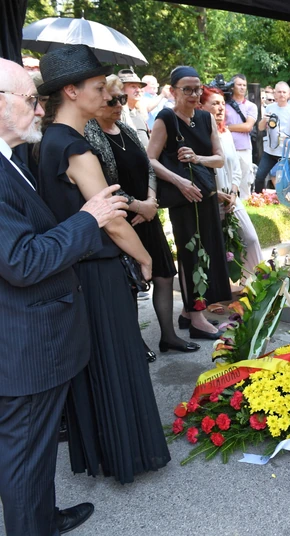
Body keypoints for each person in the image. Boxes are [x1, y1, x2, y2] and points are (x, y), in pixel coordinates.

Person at [0, 55, 129, 536]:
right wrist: (88, 218)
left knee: (32, 451)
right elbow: (22, 261)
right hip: (23, 341)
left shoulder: (10, 159)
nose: (40, 110)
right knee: (24, 451)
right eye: (30, 100)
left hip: (28, 333)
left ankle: (42, 517)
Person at [36, 44, 172, 487]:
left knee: (97, 362)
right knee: (117, 358)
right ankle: (126, 454)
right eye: (98, 87)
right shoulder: (75, 147)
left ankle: (109, 452)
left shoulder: (49, 142)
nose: (108, 95)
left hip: (77, 269)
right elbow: (110, 218)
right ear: (71, 92)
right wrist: (145, 257)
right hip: (96, 269)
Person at [84, 74, 199, 356]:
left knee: (164, 275)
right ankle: (135, 343)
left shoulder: (125, 128)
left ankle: (168, 336)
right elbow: (101, 185)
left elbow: (148, 166)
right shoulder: (89, 135)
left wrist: (150, 202)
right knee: (132, 283)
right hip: (122, 217)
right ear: (99, 100)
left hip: (147, 213)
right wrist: (138, 206)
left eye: (122, 99)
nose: (119, 105)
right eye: (112, 101)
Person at [147, 66, 230, 339]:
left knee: (208, 252)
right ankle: (196, 319)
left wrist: (197, 158)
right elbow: (150, 159)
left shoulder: (206, 118)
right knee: (190, 255)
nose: (194, 94)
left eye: (197, 89)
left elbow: (219, 159)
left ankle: (187, 312)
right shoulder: (166, 118)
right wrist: (179, 181)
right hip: (182, 199)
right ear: (173, 91)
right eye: (187, 89)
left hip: (205, 196)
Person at [200, 86, 263, 276]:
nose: (221, 108)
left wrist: (234, 193)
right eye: (215, 104)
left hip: (231, 197)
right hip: (211, 198)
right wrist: (214, 194)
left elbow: (235, 167)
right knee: (216, 247)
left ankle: (256, 281)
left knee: (250, 238)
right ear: (201, 107)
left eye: (222, 103)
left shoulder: (226, 132)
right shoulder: (198, 136)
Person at [255, 81, 290, 193]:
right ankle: (258, 198)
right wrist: (264, 120)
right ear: (275, 94)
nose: (281, 94)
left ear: (288, 94)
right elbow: (260, 128)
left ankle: (287, 199)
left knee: (285, 180)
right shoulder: (269, 108)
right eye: (279, 92)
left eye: (284, 92)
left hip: (286, 153)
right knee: (259, 177)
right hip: (270, 151)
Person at [225, 74, 258, 200]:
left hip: (244, 149)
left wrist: (227, 127)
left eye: (244, 85)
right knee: (228, 180)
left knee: (245, 182)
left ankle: (245, 206)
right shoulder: (224, 105)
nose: (242, 87)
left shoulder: (251, 106)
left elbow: (248, 126)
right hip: (227, 148)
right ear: (232, 86)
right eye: (239, 84)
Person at [118, 68, 151, 147]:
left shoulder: (139, 112)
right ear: (121, 89)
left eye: (139, 87)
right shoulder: (118, 114)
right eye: (133, 86)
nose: (138, 90)